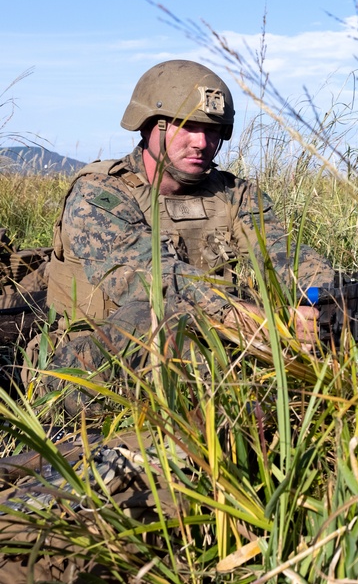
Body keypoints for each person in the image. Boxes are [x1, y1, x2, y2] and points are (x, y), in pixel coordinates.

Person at [34, 59, 341, 417]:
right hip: (88, 368)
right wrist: (257, 322)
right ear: (150, 126)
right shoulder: (99, 194)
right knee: (154, 319)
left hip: (210, 344)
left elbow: (284, 256)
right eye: (187, 126)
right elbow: (154, 280)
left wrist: (324, 301)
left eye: (214, 130)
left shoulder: (234, 194)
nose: (202, 142)